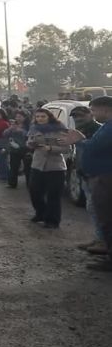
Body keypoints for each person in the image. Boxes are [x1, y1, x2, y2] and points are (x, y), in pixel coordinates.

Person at [62, 96, 112, 271]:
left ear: (106, 109)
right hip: (100, 175)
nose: (93, 114)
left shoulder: (109, 128)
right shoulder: (106, 126)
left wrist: (79, 139)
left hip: (105, 177)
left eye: (94, 110)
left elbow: (94, 147)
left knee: (106, 217)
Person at [26, 108, 70, 228]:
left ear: (49, 117)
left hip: (55, 167)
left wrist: (51, 148)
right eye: (38, 116)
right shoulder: (34, 129)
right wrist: (30, 144)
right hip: (37, 165)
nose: (40, 119)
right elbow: (29, 141)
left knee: (53, 195)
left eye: (43, 116)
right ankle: (40, 213)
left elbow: (67, 149)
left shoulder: (60, 130)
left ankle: (52, 220)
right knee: (34, 192)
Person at [70, 106, 105, 255]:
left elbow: (94, 149)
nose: (78, 118)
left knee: (98, 209)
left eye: (81, 115)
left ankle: (103, 241)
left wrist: (81, 140)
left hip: (97, 175)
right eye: (75, 116)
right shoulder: (80, 129)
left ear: (91, 114)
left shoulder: (99, 129)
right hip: (84, 173)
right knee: (92, 208)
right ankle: (99, 238)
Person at [5, 110, 31, 189]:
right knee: (13, 166)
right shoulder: (13, 125)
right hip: (14, 149)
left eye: (20, 117)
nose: (18, 118)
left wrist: (22, 131)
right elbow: (5, 134)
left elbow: (31, 135)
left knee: (28, 168)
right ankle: (12, 183)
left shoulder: (29, 126)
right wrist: (10, 129)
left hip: (26, 149)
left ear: (25, 117)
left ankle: (29, 184)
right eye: (16, 117)